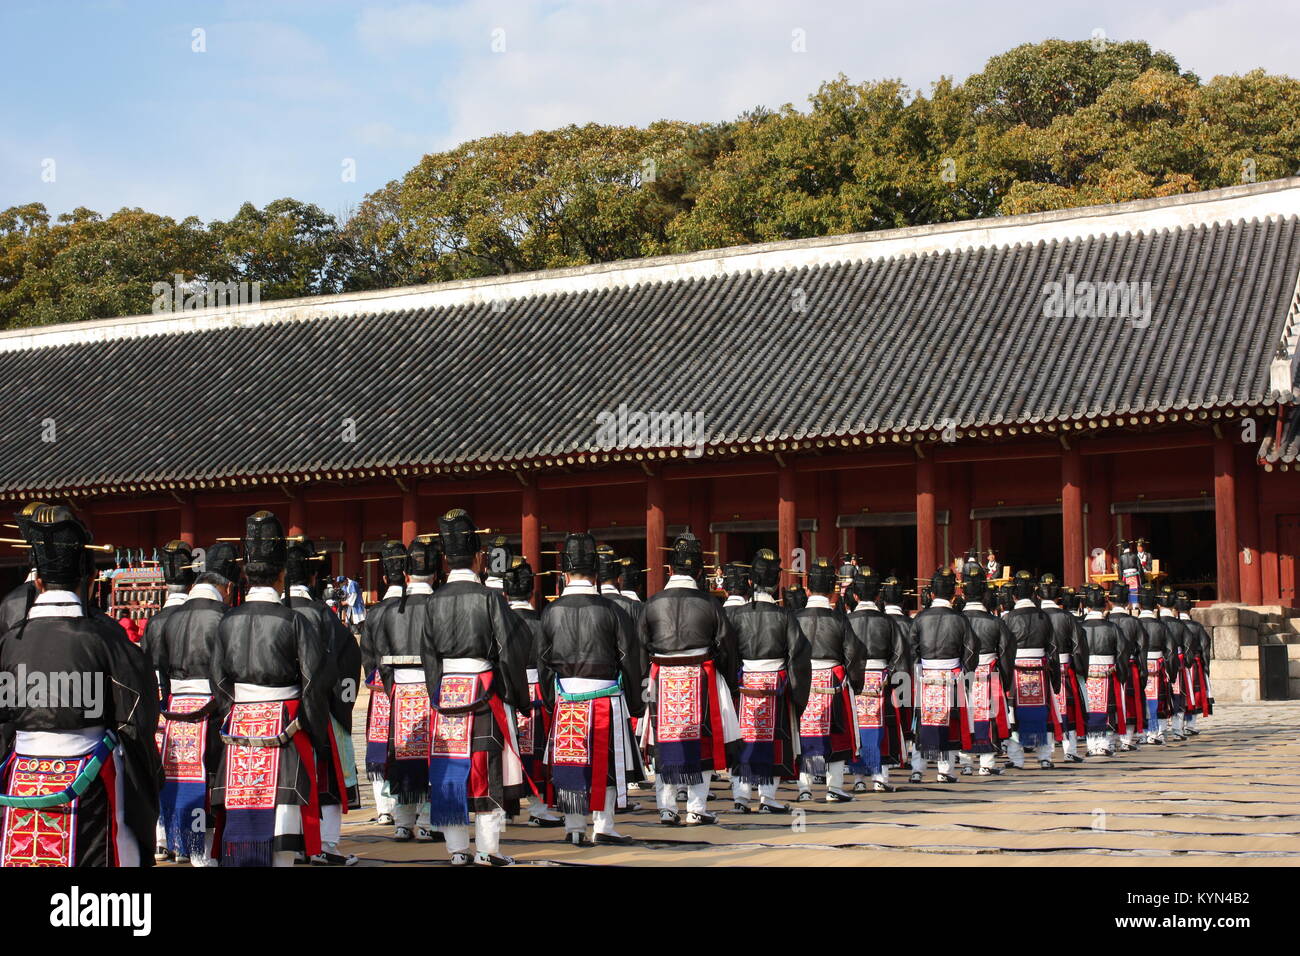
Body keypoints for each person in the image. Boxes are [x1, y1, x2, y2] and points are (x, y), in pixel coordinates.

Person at [0, 505, 161, 866]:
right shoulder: (106, 637)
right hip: (89, 776)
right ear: (87, 581)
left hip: (21, 776)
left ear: (37, 581)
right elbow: (136, 720)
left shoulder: (12, 641)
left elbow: (4, 718)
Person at [210, 511, 329, 866]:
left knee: (240, 816)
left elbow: (219, 681)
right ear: (281, 575)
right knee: (281, 823)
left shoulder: (227, 621)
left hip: (239, 726)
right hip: (284, 726)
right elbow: (312, 681)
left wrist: (237, 711)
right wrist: (311, 730)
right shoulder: (294, 620)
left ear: (246, 574)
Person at [421, 509, 531, 866]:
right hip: (482, 689)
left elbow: (428, 657)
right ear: (479, 554)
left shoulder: (433, 600)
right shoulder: (489, 599)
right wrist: (516, 694)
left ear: (444, 557)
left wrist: (436, 694)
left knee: (448, 768)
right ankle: (488, 848)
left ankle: (456, 849)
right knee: (487, 768)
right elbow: (508, 651)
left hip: (447, 689)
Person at [538, 533, 645, 846]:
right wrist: (636, 704)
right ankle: (604, 825)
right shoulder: (612, 611)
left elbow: (542, 661)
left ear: (564, 574)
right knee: (607, 763)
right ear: (597, 573)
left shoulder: (551, 611)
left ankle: (573, 826)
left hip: (566, 696)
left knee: (571, 762)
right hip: (605, 696)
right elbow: (629, 659)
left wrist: (549, 699)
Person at [637, 531, 739, 826]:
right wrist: (726, 681)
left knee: (663, 740)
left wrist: (647, 679)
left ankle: (666, 807)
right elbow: (727, 647)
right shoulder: (711, 604)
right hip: (702, 676)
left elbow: (640, 646)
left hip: (661, 678)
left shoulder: (652, 604)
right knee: (703, 740)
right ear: (698, 570)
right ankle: (696, 807)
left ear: (669, 569)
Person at [153, 541, 240, 866]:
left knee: (180, 779)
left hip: (175, 709)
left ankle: (177, 844)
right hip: (213, 709)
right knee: (212, 783)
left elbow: (159, 669)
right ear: (228, 586)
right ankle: (207, 855)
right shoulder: (225, 617)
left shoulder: (167, 619)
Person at [286, 538, 362, 866]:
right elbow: (345, 660)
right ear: (313, 578)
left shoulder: (273, 611)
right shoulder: (322, 615)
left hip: (274, 712)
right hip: (319, 709)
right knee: (327, 777)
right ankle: (326, 845)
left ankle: (290, 844)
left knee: (283, 780)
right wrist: (339, 707)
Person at [725, 549, 810, 812]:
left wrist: (730, 685)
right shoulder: (785, 616)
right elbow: (799, 655)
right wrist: (798, 694)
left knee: (744, 738)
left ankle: (740, 797)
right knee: (773, 739)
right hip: (776, 683)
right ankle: (767, 798)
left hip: (744, 683)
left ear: (750, 582)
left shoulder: (735, 615)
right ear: (776, 584)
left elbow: (726, 652)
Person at [372, 538, 438, 842]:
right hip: (431, 688)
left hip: (400, 690)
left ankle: (402, 821)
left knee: (402, 756)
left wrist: (394, 689)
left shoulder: (387, 611)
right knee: (434, 756)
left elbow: (381, 660)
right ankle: (427, 820)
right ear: (436, 575)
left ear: (406, 575)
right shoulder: (438, 606)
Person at [793, 557, 862, 802]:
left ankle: (804, 788)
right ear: (833, 590)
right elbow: (853, 652)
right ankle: (834, 787)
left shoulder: (795, 617)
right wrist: (856, 683)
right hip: (831, 679)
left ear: (808, 589)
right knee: (835, 733)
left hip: (802, 680)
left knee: (803, 734)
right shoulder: (839, 619)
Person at [502, 555, 563, 829]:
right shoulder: (542, 622)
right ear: (531, 591)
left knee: (507, 749)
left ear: (505, 591)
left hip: (504, 690)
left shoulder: (500, 623)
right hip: (537, 690)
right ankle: (539, 808)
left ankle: (504, 806)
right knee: (538, 752)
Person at [907, 568, 976, 783]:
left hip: (925, 674)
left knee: (922, 722)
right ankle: (945, 771)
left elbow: (911, 649)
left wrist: (918, 668)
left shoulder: (919, 618)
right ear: (954, 593)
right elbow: (972, 650)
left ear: (932, 593)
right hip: (952, 674)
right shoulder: (960, 619)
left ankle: (917, 769)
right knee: (949, 722)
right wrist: (965, 671)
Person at [845, 567, 909, 791]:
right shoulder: (888, 621)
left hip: (853, 677)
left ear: (855, 595)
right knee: (879, 728)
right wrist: (892, 676)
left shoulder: (847, 620)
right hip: (881, 677)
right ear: (878, 595)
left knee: (856, 727)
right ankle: (880, 779)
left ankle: (858, 779)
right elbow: (900, 654)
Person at [360, 545, 406, 826]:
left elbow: (366, 655)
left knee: (379, 749)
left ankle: (384, 808)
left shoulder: (374, 613)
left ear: (385, 579)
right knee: (410, 745)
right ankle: (412, 812)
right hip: (413, 689)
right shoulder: (418, 607)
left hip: (381, 689)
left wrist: (376, 679)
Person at [957, 567, 1013, 776]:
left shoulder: (956, 619)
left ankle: (965, 762)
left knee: (965, 712)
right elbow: (1006, 653)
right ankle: (986, 762)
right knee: (987, 714)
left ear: (963, 593)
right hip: (989, 672)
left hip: (961, 673)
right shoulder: (995, 622)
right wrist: (1006, 682)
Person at [1002, 572, 1061, 769]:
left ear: (1014, 596)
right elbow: (1053, 648)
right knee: (1042, 713)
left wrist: (1003, 675)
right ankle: (1045, 756)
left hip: (1015, 671)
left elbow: (1002, 649)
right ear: (1034, 593)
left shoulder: (1008, 618)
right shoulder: (1043, 617)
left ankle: (1016, 758)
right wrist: (1055, 677)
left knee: (1014, 714)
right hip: (1040, 669)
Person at [1038, 574, 1088, 764]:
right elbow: (1078, 646)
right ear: (1058, 596)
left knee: (1046, 709)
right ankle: (1070, 750)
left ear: (1039, 595)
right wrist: (1081, 669)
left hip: (1040, 666)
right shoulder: (1067, 617)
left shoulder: (1036, 615)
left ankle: (1046, 752)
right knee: (1069, 711)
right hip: (1065, 666)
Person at [1078, 585, 1131, 756]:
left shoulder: (1079, 627)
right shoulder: (1112, 628)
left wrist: (1080, 671)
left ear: (1087, 605)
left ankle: (1091, 745)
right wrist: (1122, 673)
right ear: (1106, 604)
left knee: (1088, 706)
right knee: (1107, 707)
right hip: (1107, 671)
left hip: (1085, 672)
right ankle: (1104, 744)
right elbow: (1123, 652)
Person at [1106, 580, 1148, 750]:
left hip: (1108, 667)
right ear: (1129, 602)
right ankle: (1127, 740)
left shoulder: (1105, 620)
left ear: (1109, 601)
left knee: (1109, 701)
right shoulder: (1135, 622)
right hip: (1130, 665)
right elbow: (1142, 648)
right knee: (1129, 701)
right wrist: (1143, 670)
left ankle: (1109, 740)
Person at [1136, 586, 1178, 744]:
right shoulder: (1161, 626)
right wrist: (1171, 673)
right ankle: (1156, 732)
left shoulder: (1134, 624)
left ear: (1139, 605)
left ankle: (1141, 733)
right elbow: (1171, 650)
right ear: (1156, 605)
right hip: (1157, 664)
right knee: (1158, 699)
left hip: (1139, 666)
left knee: (1140, 698)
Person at [1175, 591, 1213, 734]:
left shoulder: (1173, 625)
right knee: (1195, 692)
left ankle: (1177, 726)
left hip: (1178, 664)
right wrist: (1206, 665)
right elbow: (1205, 645)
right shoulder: (1196, 626)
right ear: (1190, 608)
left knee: (1180, 692)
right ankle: (1190, 725)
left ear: (1175, 608)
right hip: (1194, 664)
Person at [1158, 586, 1192, 740]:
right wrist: (1187, 662)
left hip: (1156, 662)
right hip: (1177, 662)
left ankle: (1159, 730)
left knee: (1158, 695)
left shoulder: (1154, 623)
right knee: (1178, 695)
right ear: (1174, 606)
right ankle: (1178, 730)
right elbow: (1189, 648)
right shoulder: (1181, 625)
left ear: (1158, 605)